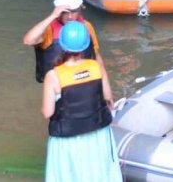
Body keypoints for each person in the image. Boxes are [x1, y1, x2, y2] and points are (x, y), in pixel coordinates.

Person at [41, 21, 121, 182]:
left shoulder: (54, 75)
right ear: (85, 46)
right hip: (98, 134)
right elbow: (108, 98)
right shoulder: (96, 66)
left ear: (62, 46)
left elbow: (48, 112)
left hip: (68, 136)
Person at [23, 0, 102, 83]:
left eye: (73, 11)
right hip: (57, 84)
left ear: (80, 7)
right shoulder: (49, 29)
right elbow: (28, 40)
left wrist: (103, 85)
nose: (69, 17)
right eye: (64, 12)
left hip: (83, 81)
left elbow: (96, 55)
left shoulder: (86, 27)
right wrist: (53, 16)